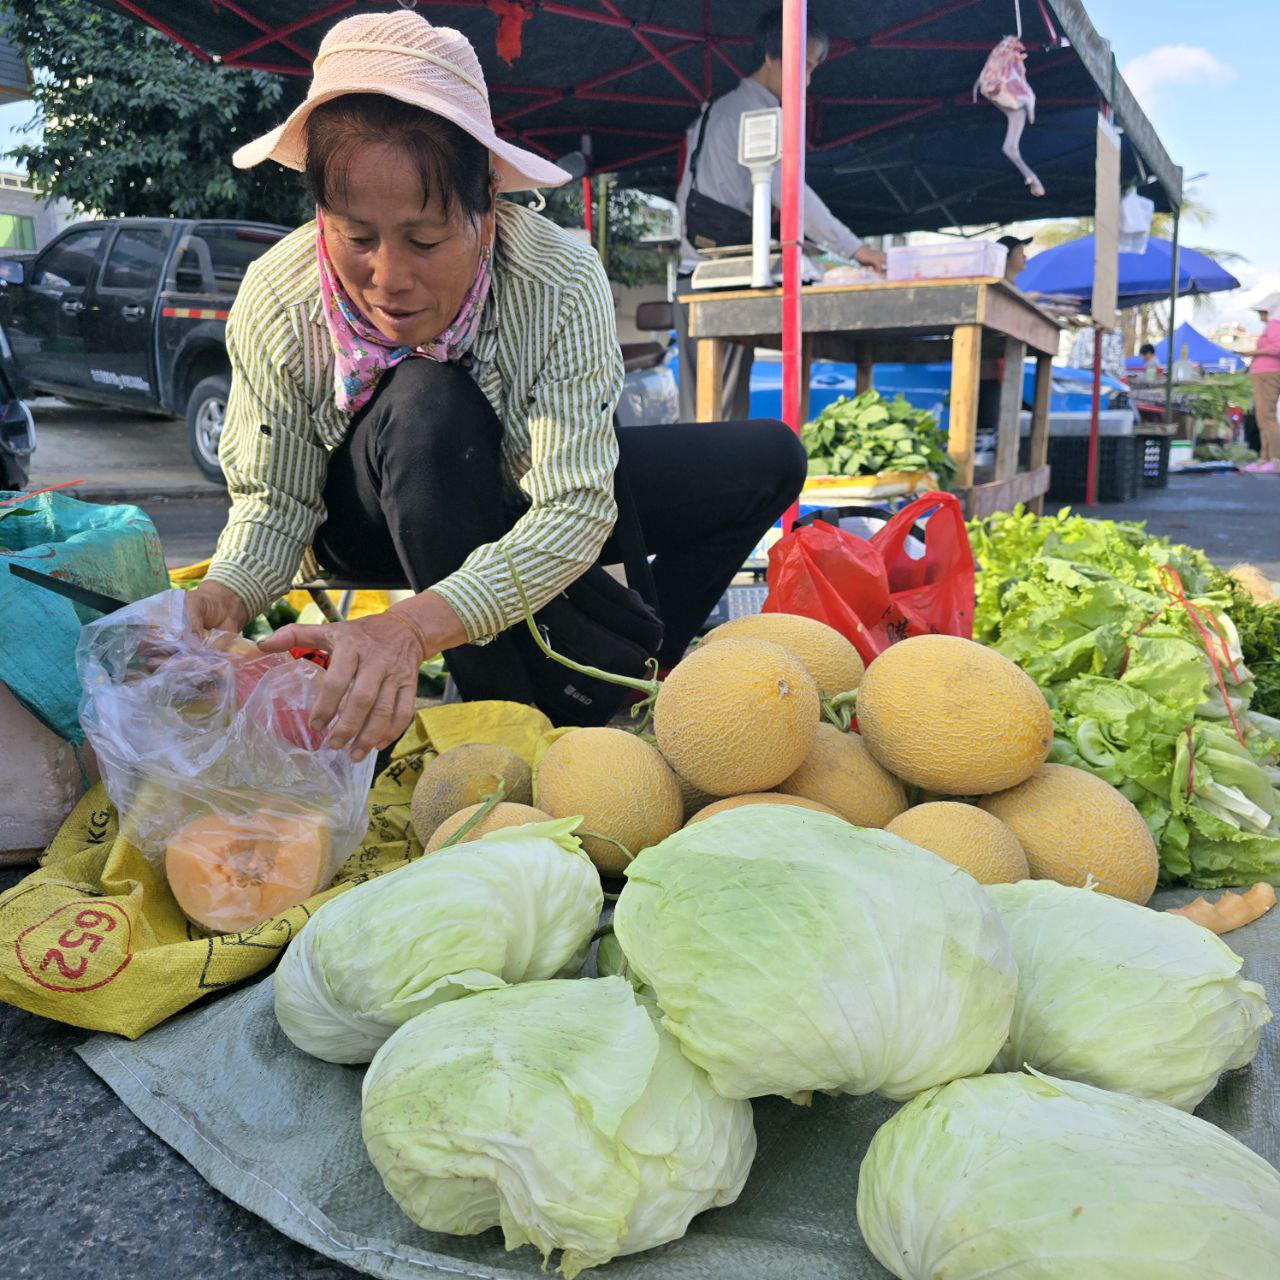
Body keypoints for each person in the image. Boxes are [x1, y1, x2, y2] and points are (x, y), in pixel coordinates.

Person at [185, 11, 806, 760]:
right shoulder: (278, 298)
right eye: (355, 237)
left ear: (486, 207)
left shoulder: (558, 278)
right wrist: (225, 594)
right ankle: (504, 718)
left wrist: (414, 626)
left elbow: (575, 505)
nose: (387, 278)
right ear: (321, 213)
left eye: (423, 240)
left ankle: (627, 669)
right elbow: (275, 502)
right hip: (365, 511)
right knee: (426, 402)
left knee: (768, 456)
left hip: (517, 492)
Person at [673, 8, 887, 422]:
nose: (806, 80)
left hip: (690, 274)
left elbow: (710, 190)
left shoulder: (713, 112)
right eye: (804, 66)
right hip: (722, 286)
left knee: (695, 412)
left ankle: (695, 484)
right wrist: (856, 249)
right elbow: (794, 194)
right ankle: (725, 486)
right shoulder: (761, 115)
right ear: (774, 56)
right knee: (724, 415)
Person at [1241, 292, 1280, 472]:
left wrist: (1252, 353)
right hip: (1263, 372)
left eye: (1262, 311)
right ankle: (1265, 458)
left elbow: (1276, 348)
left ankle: (1275, 458)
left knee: (1267, 417)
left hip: (1268, 373)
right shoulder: (1271, 326)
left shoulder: (1274, 325)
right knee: (1262, 418)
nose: (1259, 315)